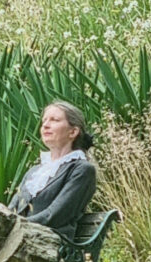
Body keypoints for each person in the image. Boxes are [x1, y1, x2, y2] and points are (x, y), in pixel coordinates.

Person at [8, 101, 96, 243]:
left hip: (50, 247)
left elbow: (54, 216)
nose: (45, 125)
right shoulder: (34, 172)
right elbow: (11, 210)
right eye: (44, 121)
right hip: (19, 241)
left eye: (54, 120)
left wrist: (13, 228)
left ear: (73, 132)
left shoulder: (82, 170)